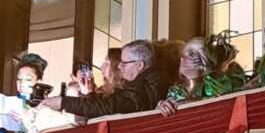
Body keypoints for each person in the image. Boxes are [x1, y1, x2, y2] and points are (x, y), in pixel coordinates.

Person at [38, 40, 170, 119]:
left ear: (140, 65)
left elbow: (108, 107)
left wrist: (63, 102)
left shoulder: (144, 86)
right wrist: (88, 93)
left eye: (124, 63)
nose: (119, 66)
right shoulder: (148, 82)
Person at [157, 34, 247, 116]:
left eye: (191, 54)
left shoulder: (216, 87)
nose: (182, 58)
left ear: (206, 64)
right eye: (183, 54)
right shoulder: (176, 90)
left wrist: (186, 102)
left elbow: (220, 104)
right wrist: (161, 107)